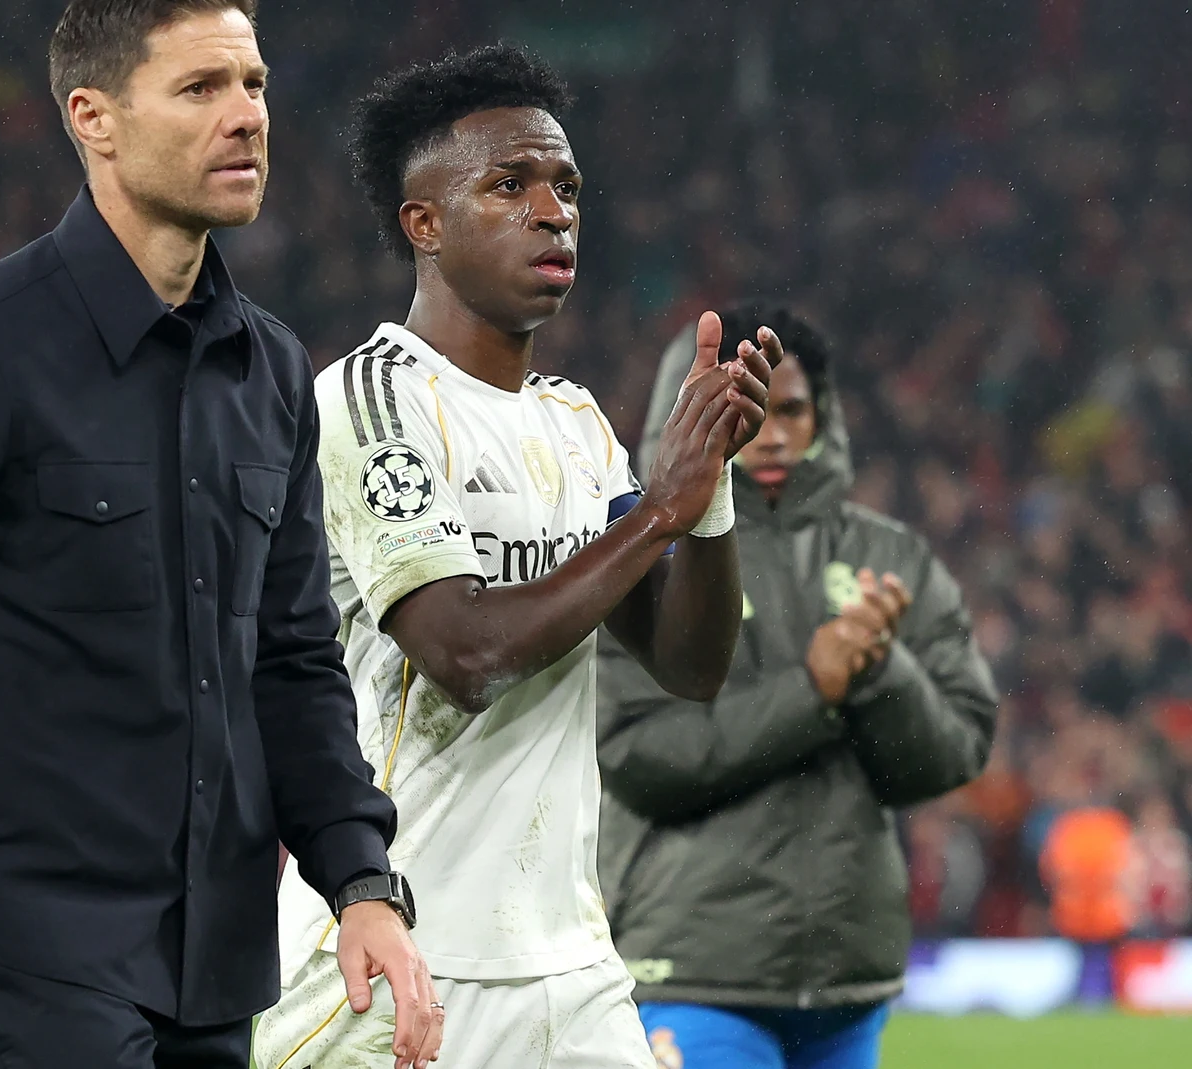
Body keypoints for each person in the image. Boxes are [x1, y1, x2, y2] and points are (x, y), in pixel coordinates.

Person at [0, 3, 440, 1068]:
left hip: (212, 949)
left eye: (254, 83)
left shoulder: (273, 372)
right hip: (22, 935)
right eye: (200, 89)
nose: (245, 116)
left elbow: (290, 661)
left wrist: (359, 883)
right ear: (91, 118)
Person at [255, 44, 776, 1069]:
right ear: (425, 224)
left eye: (567, 187)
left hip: (569, 967)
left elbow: (690, 663)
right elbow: (464, 651)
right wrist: (656, 514)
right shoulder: (369, 402)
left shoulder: (575, 425)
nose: (554, 210)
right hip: (393, 945)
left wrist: (704, 497)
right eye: (512, 183)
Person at [596, 303, 998, 1069]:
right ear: (690, 414)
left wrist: (884, 673)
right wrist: (813, 691)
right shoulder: (644, 556)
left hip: (848, 979)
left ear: (826, 417)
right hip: (692, 968)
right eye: (746, 410)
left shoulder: (892, 556)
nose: (773, 433)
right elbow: (641, 759)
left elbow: (954, 753)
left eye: (793, 410)